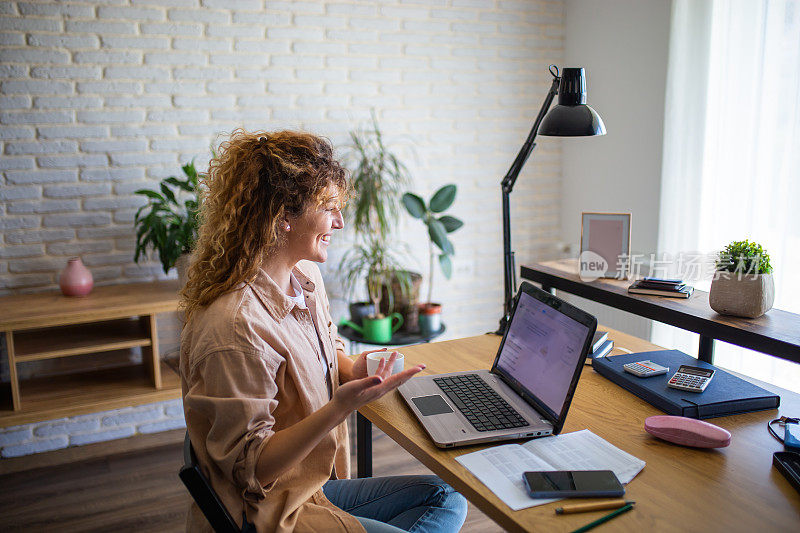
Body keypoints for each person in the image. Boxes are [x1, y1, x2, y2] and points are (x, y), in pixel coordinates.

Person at [179, 130, 468, 533]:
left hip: (312, 484)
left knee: (447, 497)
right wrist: (340, 407)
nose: (340, 220)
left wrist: (357, 368)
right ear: (282, 218)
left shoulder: (305, 278)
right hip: (270, 511)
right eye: (328, 207)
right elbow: (254, 470)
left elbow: (329, 350)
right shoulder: (237, 327)